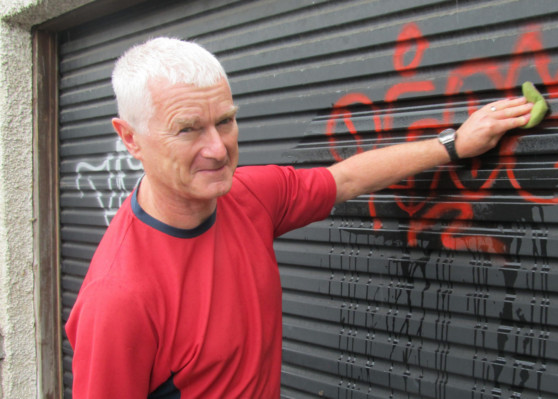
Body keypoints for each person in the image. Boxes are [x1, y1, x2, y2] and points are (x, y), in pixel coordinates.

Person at [65, 37, 532, 398]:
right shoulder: (120, 299)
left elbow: (345, 179)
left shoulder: (249, 196)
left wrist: (454, 145)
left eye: (225, 121)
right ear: (130, 138)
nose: (217, 148)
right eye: (188, 129)